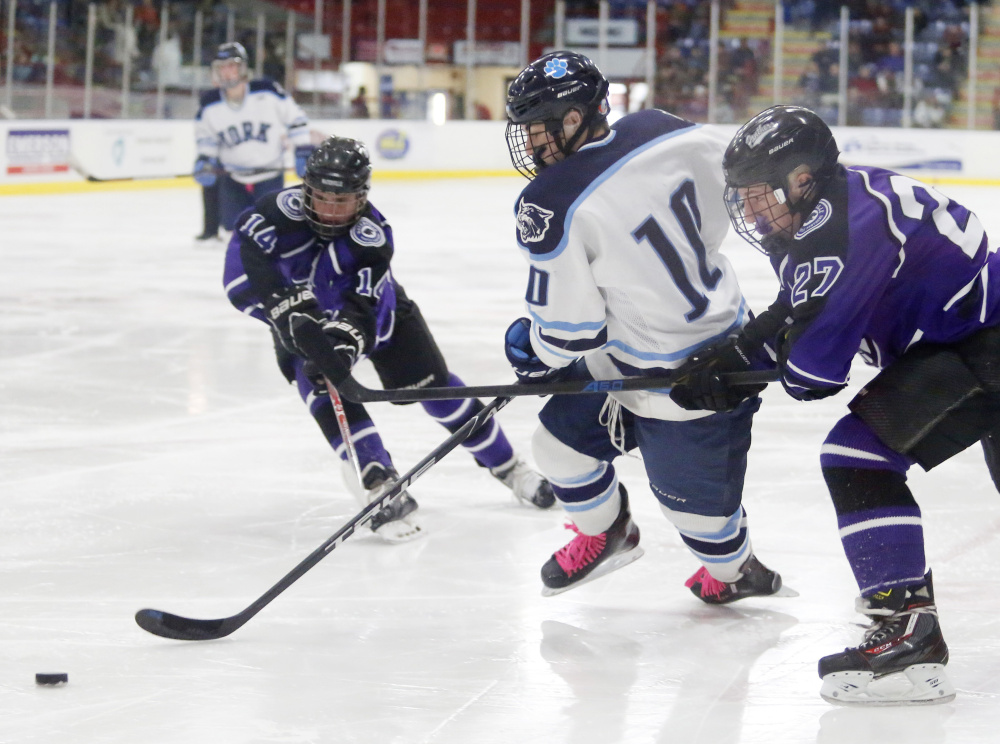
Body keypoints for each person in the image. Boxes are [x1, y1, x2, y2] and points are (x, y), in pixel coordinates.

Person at [669, 104, 1000, 705]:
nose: (749, 209)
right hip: (971, 335)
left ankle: (907, 634)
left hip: (981, 343)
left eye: (758, 194)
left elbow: (812, 374)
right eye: (740, 196)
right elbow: (797, 308)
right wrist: (731, 356)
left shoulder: (843, 231)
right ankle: (909, 627)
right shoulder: (830, 207)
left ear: (800, 179)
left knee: (857, 457)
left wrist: (735, 378)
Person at [501, 51, 785, 602]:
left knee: (712, 543)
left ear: (575, 118)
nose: (530, 145)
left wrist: (534, 349)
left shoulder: (550, 203)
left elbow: (568, 334)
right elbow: (732, 197)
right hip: (633, 356)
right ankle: (607, 532)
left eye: (537, 130)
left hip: (698, 381)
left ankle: (736, 572)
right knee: (559, 449)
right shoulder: (668, 129)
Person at [223, 136, 555, 543]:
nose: (329, 211)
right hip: (299, 323)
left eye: (341, 201)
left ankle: (509, 467)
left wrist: (345, 343)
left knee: (437, 390)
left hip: (384, 318)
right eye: (322, 197)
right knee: (324, 390)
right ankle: (379, 482)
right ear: (306, 189)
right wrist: (285, 313)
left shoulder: (371, 236)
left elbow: (364, 306)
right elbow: (241, 276)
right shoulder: (271, 216)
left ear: (361, 198)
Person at [194, 42, 315, 240]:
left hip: (269, 175)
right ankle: (211, 230)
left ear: (243, 67)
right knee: (235, 232)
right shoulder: (209, 104)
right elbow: (207, 139)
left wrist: (302, 150)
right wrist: (205, 160)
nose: (227, 72)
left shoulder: (267, 91)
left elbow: (296, 119)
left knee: (272, 231)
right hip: (233, 178)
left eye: (231, 66)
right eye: (222, 67)